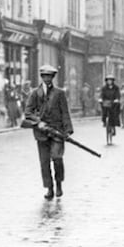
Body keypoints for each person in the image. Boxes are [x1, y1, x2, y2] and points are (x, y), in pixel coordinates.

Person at [24, 64, 74, 200]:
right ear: (41, 77)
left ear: (53, 77)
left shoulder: (60, 93)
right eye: (44, 76)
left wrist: (68, 129)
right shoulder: (35, 93)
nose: (47, 78)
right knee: (44, 162)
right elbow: (28, 112)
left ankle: (58, 184)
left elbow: (65, 112)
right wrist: (38, 122)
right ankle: (49, 188)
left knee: (57, 158)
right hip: (41, 133)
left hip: (57, 131)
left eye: (49, 76)